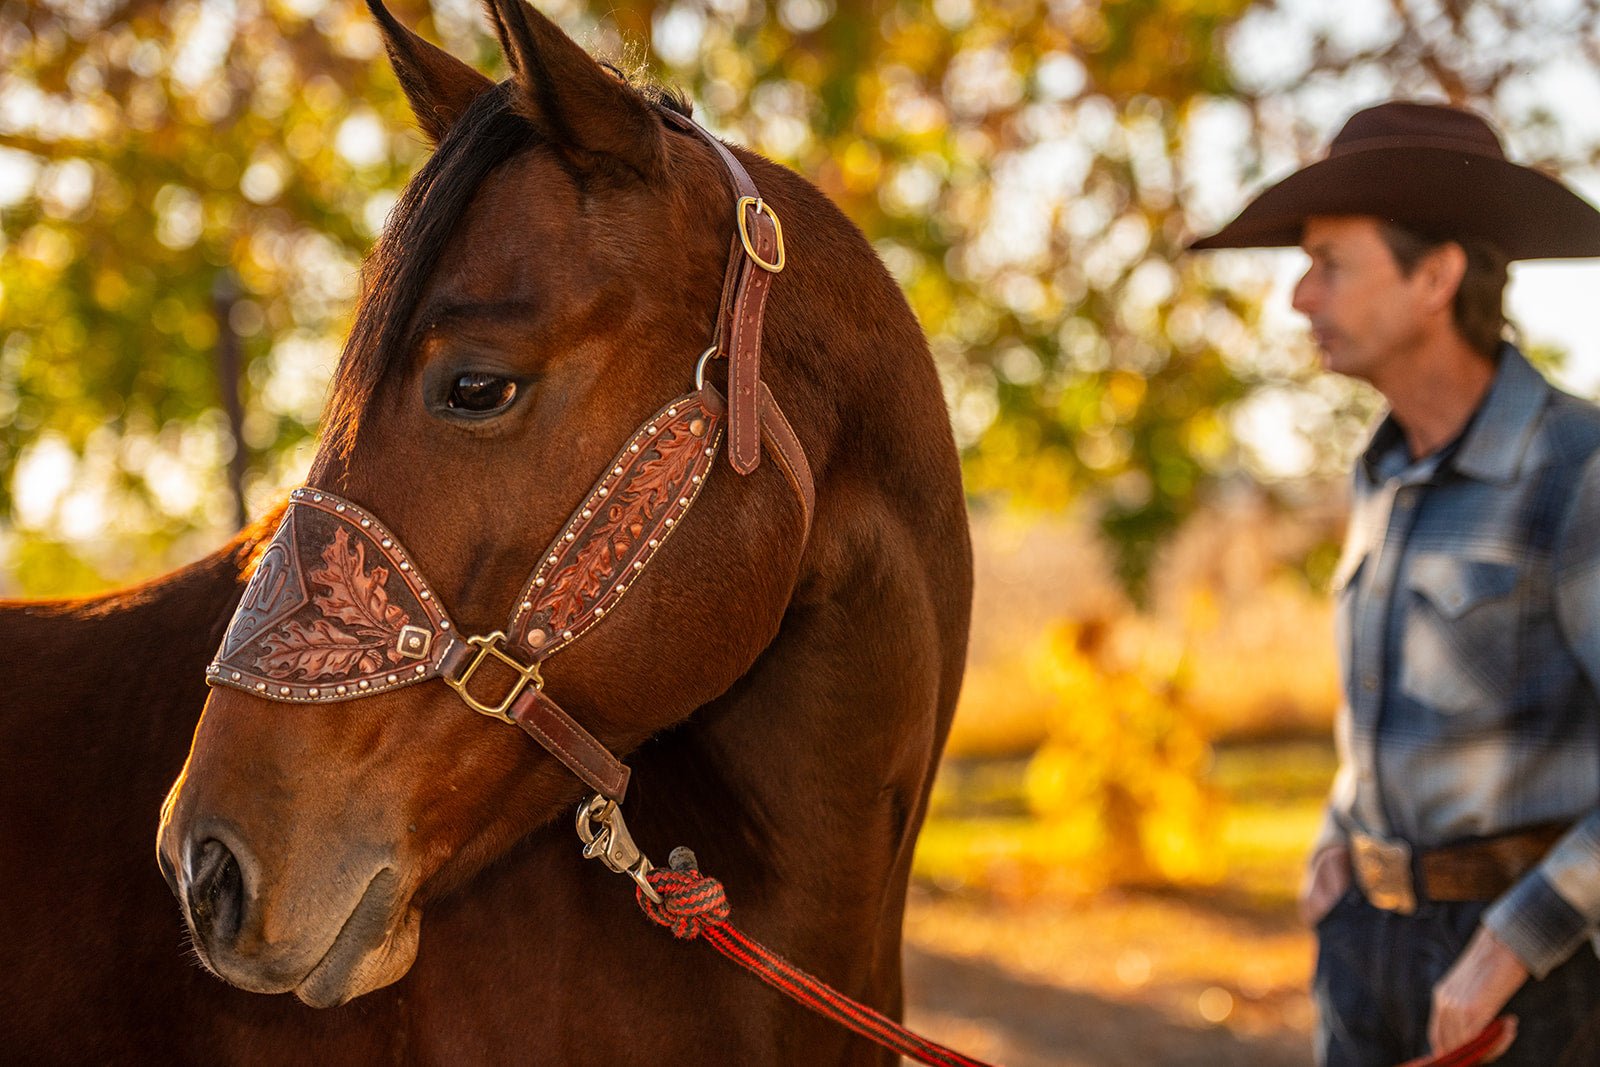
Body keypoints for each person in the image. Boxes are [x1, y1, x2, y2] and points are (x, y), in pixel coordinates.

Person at [1190, 100, 1600, 1065]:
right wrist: (1341, 837)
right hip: (1365, 950)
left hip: (1527, 984)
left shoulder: (1578, 469)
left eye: (1330, 263)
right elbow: (1396, 710)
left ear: (1436, 276)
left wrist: (1513, 942)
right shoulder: (1381, 471)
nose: (1299, 297)